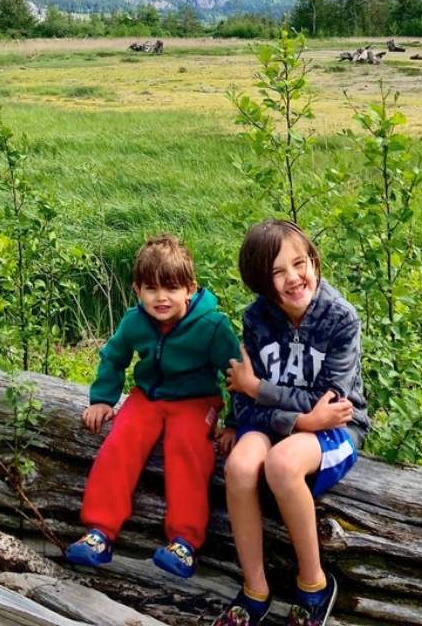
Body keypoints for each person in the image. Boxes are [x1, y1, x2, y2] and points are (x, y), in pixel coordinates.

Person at [212, 219, 369, 626]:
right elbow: (243, 394)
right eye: (278, 272)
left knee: (282, 465)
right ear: (261, 282)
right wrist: (292, 416)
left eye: (301, 263)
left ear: (314, 261)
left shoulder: (340, 319)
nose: (295, 278)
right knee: (241, 466)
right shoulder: (257, 319)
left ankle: (314, 583)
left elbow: (329, 404)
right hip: (279, 422)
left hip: (335, 428)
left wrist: (260, 389)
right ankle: (255, 589)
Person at [65, 234, 241, 578]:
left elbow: (238, 376)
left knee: (188, 449)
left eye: (172, 289)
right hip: (147, 397)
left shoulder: (213, 326)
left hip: (196, 401)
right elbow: (113, 357)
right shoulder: (135, 321)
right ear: (137, 290)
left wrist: (236, 423)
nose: (161, 298)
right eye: (151, 289)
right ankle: (99, 533)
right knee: (119, 443)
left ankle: (184, 542)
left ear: (190, 288)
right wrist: (102, 399)